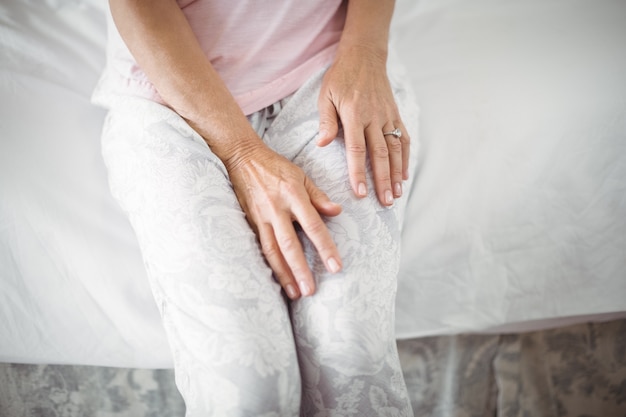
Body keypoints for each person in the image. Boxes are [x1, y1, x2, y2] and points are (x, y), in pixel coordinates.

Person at [92, 0, 419, 415]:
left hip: (335, 68)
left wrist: (367, 54)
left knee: (349, 348)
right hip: (167, 95)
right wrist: (242, 153)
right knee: (249, 378)